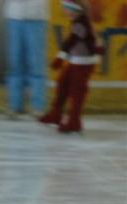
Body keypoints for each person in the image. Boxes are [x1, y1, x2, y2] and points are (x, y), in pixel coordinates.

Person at [39, 0, 102, 133]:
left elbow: (73, 40)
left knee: (77, 91)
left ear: (74, 9)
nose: (64, 10)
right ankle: (56, 114)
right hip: (77, 60)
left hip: (84, 62)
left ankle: (74, 121)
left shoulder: (81, 22)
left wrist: (60, 57)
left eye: (66, 8)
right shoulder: (78, 20)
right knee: (63, 84)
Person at [4, 0, 49, 118]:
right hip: (15, 17)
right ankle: (14, 105)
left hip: (36, 18)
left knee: (36, 64)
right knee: (15, 63)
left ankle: (38, 106)